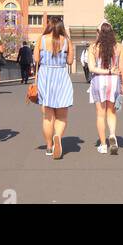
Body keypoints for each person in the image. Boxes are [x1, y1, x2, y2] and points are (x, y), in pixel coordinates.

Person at [34, 20, 74, 160]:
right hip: (61, 76)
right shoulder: (67, 41)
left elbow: (36, 58)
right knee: (62, 116)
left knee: (47, 116)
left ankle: (49, 146)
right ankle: (58, 136)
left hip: (45, 77)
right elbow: (70, 61)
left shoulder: (42, 39)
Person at [87, 20, 123, 156]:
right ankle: (112, 135)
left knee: (100, 114)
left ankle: (103, 145)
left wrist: (106, 71)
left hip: (98, 81)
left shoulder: (93, 48)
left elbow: (92, 68)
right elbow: (121, 68)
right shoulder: (119, 47)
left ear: (99, 33)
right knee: (111, 112)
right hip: (114, 81)